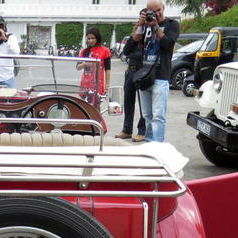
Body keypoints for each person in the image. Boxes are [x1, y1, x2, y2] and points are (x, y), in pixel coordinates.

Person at [132, 0, 179, 142]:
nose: (157, 14)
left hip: (161, 75)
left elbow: (167, 44)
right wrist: (140, 25)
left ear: (163, 8)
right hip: (144, 75)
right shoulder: (144, 24)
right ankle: (149, 143)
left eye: (159, 10)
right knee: (147, 115)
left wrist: (156, 27)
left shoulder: (172, 24)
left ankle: (157, 146)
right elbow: (133, 43)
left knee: (158, 116)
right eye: (153, 11)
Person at [116, 11, 147, 143]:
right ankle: (127, 130)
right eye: (141, 16)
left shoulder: (150, 35)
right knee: (128, 102)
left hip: (143, 71)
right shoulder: (135, 33)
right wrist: (136, 32)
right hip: (130, 71)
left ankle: (142, 131)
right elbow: (126, 51)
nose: (143, 19)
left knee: (143, 104)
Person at [76, 27, 111, 107]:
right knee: (84, 108)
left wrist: (107, 86)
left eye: (93, 38)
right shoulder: (84, 51)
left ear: (97, 38)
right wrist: (84, 64)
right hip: (85, 84)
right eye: (88, 38)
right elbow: (78, 67)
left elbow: (108, 70)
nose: (90, 41)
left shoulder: (105, 51)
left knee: (95, 108)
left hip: (98, 85)